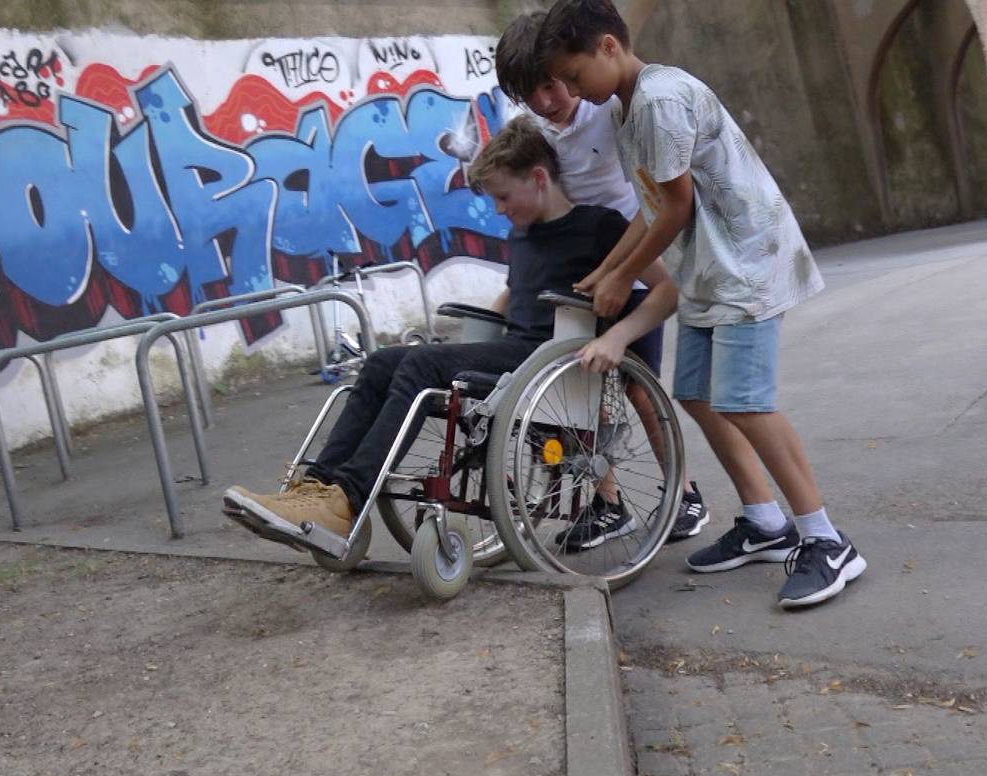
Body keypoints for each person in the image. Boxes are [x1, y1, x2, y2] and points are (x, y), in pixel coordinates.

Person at [221, 115, 677, 557]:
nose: (500, 211)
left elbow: (666, 291)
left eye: (503, 197)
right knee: (383, 362)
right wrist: (467, 336)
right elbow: (514, 296)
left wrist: (615, 338)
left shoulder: (600, 227)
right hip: (513, 354)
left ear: (539, 178)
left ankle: (347, 498)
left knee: (421, 366)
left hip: (550, 363)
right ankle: (319, 489)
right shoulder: (524, 236)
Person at [537, 0, 867, 608]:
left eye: (575, 76)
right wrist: (607, 270)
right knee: (694, 392)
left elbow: (678, 208)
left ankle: (824, 538)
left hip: (746, 263)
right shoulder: (625, 108)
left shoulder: (660, 100)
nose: (574, 93)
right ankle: (765, 522)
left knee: (745, 401)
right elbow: (651, 205)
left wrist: (625, 276)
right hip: (710, 269)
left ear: (609, 46)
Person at [495, 11, 711, 545]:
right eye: (532, 94)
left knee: (638, 388)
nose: (548, 100)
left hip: (636, 257)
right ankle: (606, 500)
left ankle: (683, 492)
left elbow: (660, 193)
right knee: (575, 396)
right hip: (579, 266)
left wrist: (626, 269)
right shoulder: (538, 131)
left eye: (552, 84)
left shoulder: (606, 108)